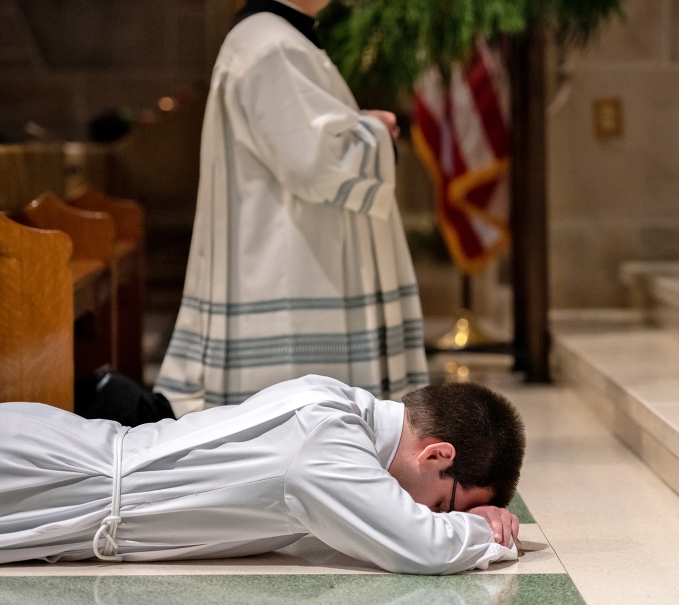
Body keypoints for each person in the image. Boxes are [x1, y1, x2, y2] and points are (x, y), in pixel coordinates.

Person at [155, 0, 428, 418]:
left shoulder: (275, 38)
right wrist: (377, 132)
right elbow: (314, 162)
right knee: (304, 423)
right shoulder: (272, 45)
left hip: (298, 254)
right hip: (295, 274)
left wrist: (359, 125)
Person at [0, 375, 525, 574]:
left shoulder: (337, 404)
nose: (423, 511)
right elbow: (423, 547)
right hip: (44, 479)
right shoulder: (329, 446)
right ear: (436, 456)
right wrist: (488, 529)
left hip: (56, 466)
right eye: (441, 504)